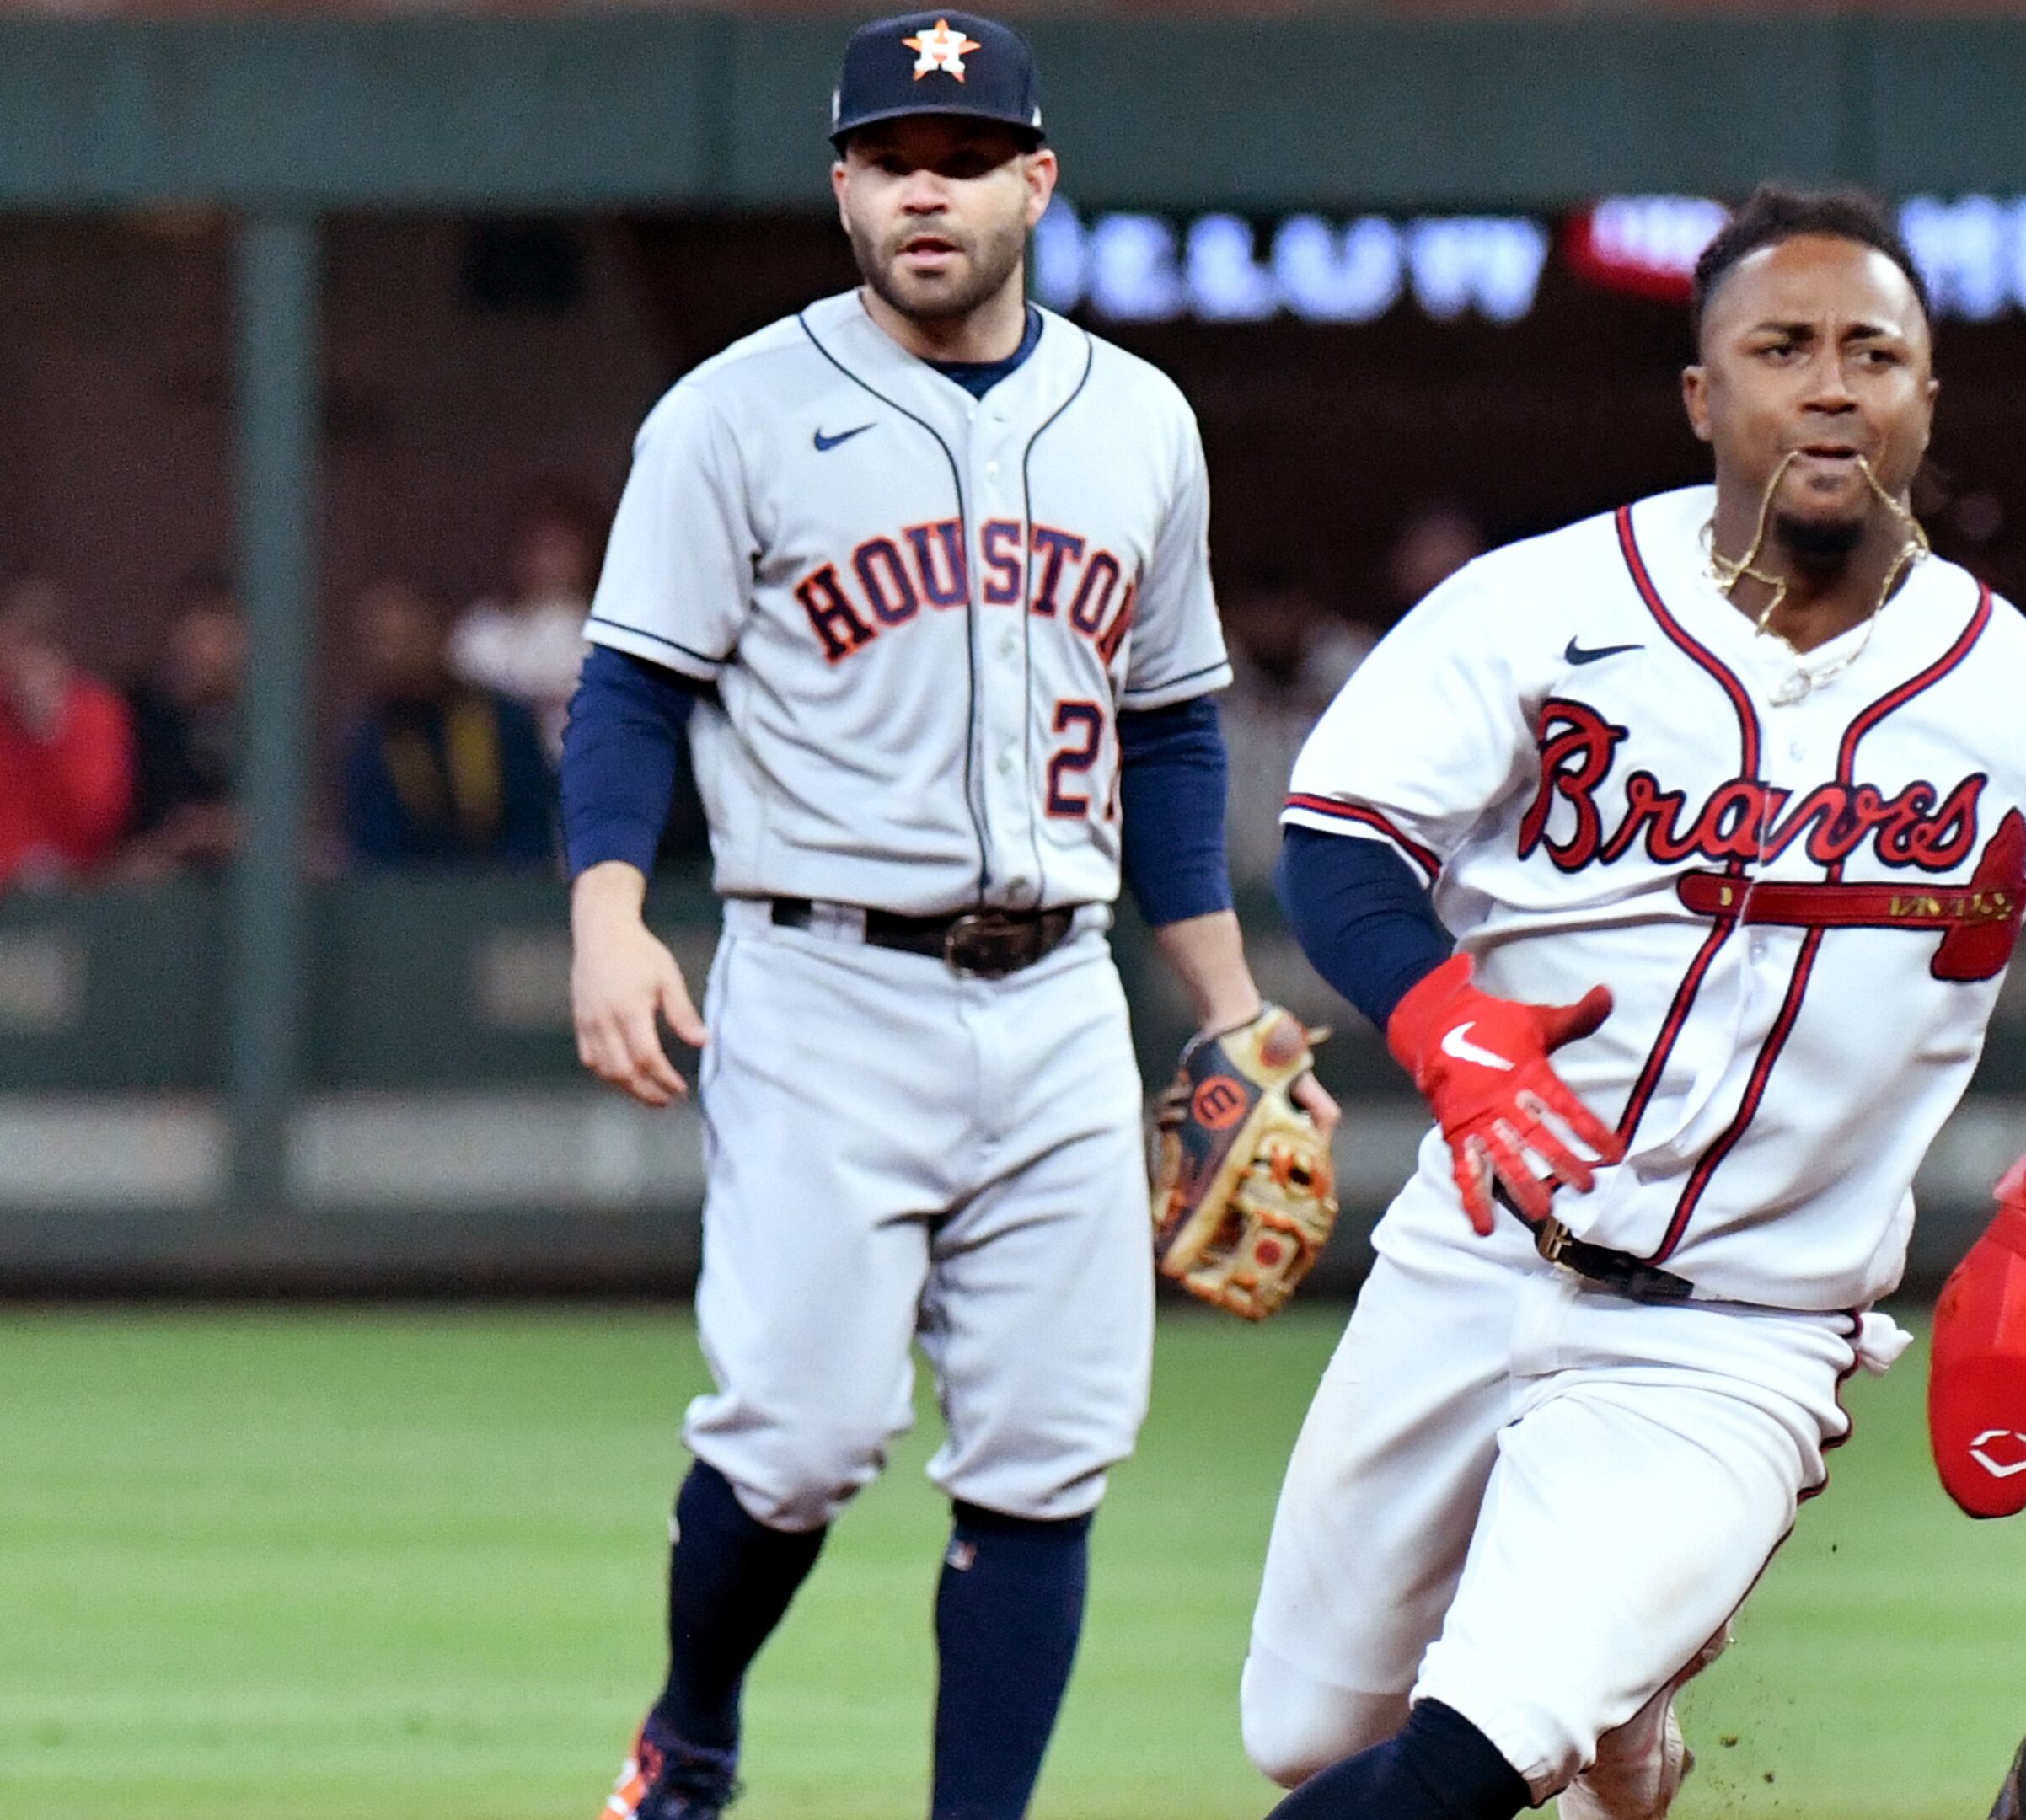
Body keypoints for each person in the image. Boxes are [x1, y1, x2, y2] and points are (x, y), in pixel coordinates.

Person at [1244, 185, 2026, 1820]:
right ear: (1704, 397)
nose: (1834, 383)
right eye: (1782, 348)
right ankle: (1624, 1718)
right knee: (1308, 1732)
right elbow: (1344, 837)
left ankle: (1586, 1690)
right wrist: (1440, 1021)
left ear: (1929, 397)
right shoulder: (1540, 610)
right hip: (1472, 1251)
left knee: (1455, 1761)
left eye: (1876, 349)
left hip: (1737, 1335)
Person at [556, 15, 1332, 1820]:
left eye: (968, 157)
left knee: (1049, 1461)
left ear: (1035, 184)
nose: (930, 187)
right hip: (826, 984)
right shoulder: (733, 414)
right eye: (895, 156)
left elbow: (1173, 730)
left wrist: (1219, 999)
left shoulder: (1137, 420)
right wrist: (610, 908)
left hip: (1061, 996)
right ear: (841, 185)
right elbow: (627, 692)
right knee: (800, 1440)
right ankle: (693, 1730)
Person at [339, 579, 555, 867]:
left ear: (438, 633)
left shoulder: (502, 720)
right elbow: (375, 852)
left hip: (506, 896)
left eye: (407, 637)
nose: (394, 654)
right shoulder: (371, 741)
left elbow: (533, 833)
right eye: (382, 642)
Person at [1216, 565, 1373, 887]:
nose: (1271, 624)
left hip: (1340, 879)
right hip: (1246, 890)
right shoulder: (1215, 672)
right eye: (1258, 611)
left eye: (1280, 609)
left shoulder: (1356, 663)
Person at [0, 575, 136, 888]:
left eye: (26, 647)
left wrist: (49, 732)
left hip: (76, 895)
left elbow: (96, 819)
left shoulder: (97, 713)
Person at [118, 571, 245, 880]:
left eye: (222, 639)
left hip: (244, 884)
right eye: (197, 638)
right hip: (159, 886)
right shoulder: (141, 715)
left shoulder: (268, 723)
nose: (208, 653)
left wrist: (224, 830)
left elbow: (290, 824)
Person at [452, 490, 598, 755]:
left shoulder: (607, 632)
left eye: (560, 547)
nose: (549, 562)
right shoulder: (484, 631)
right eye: (538, 547)